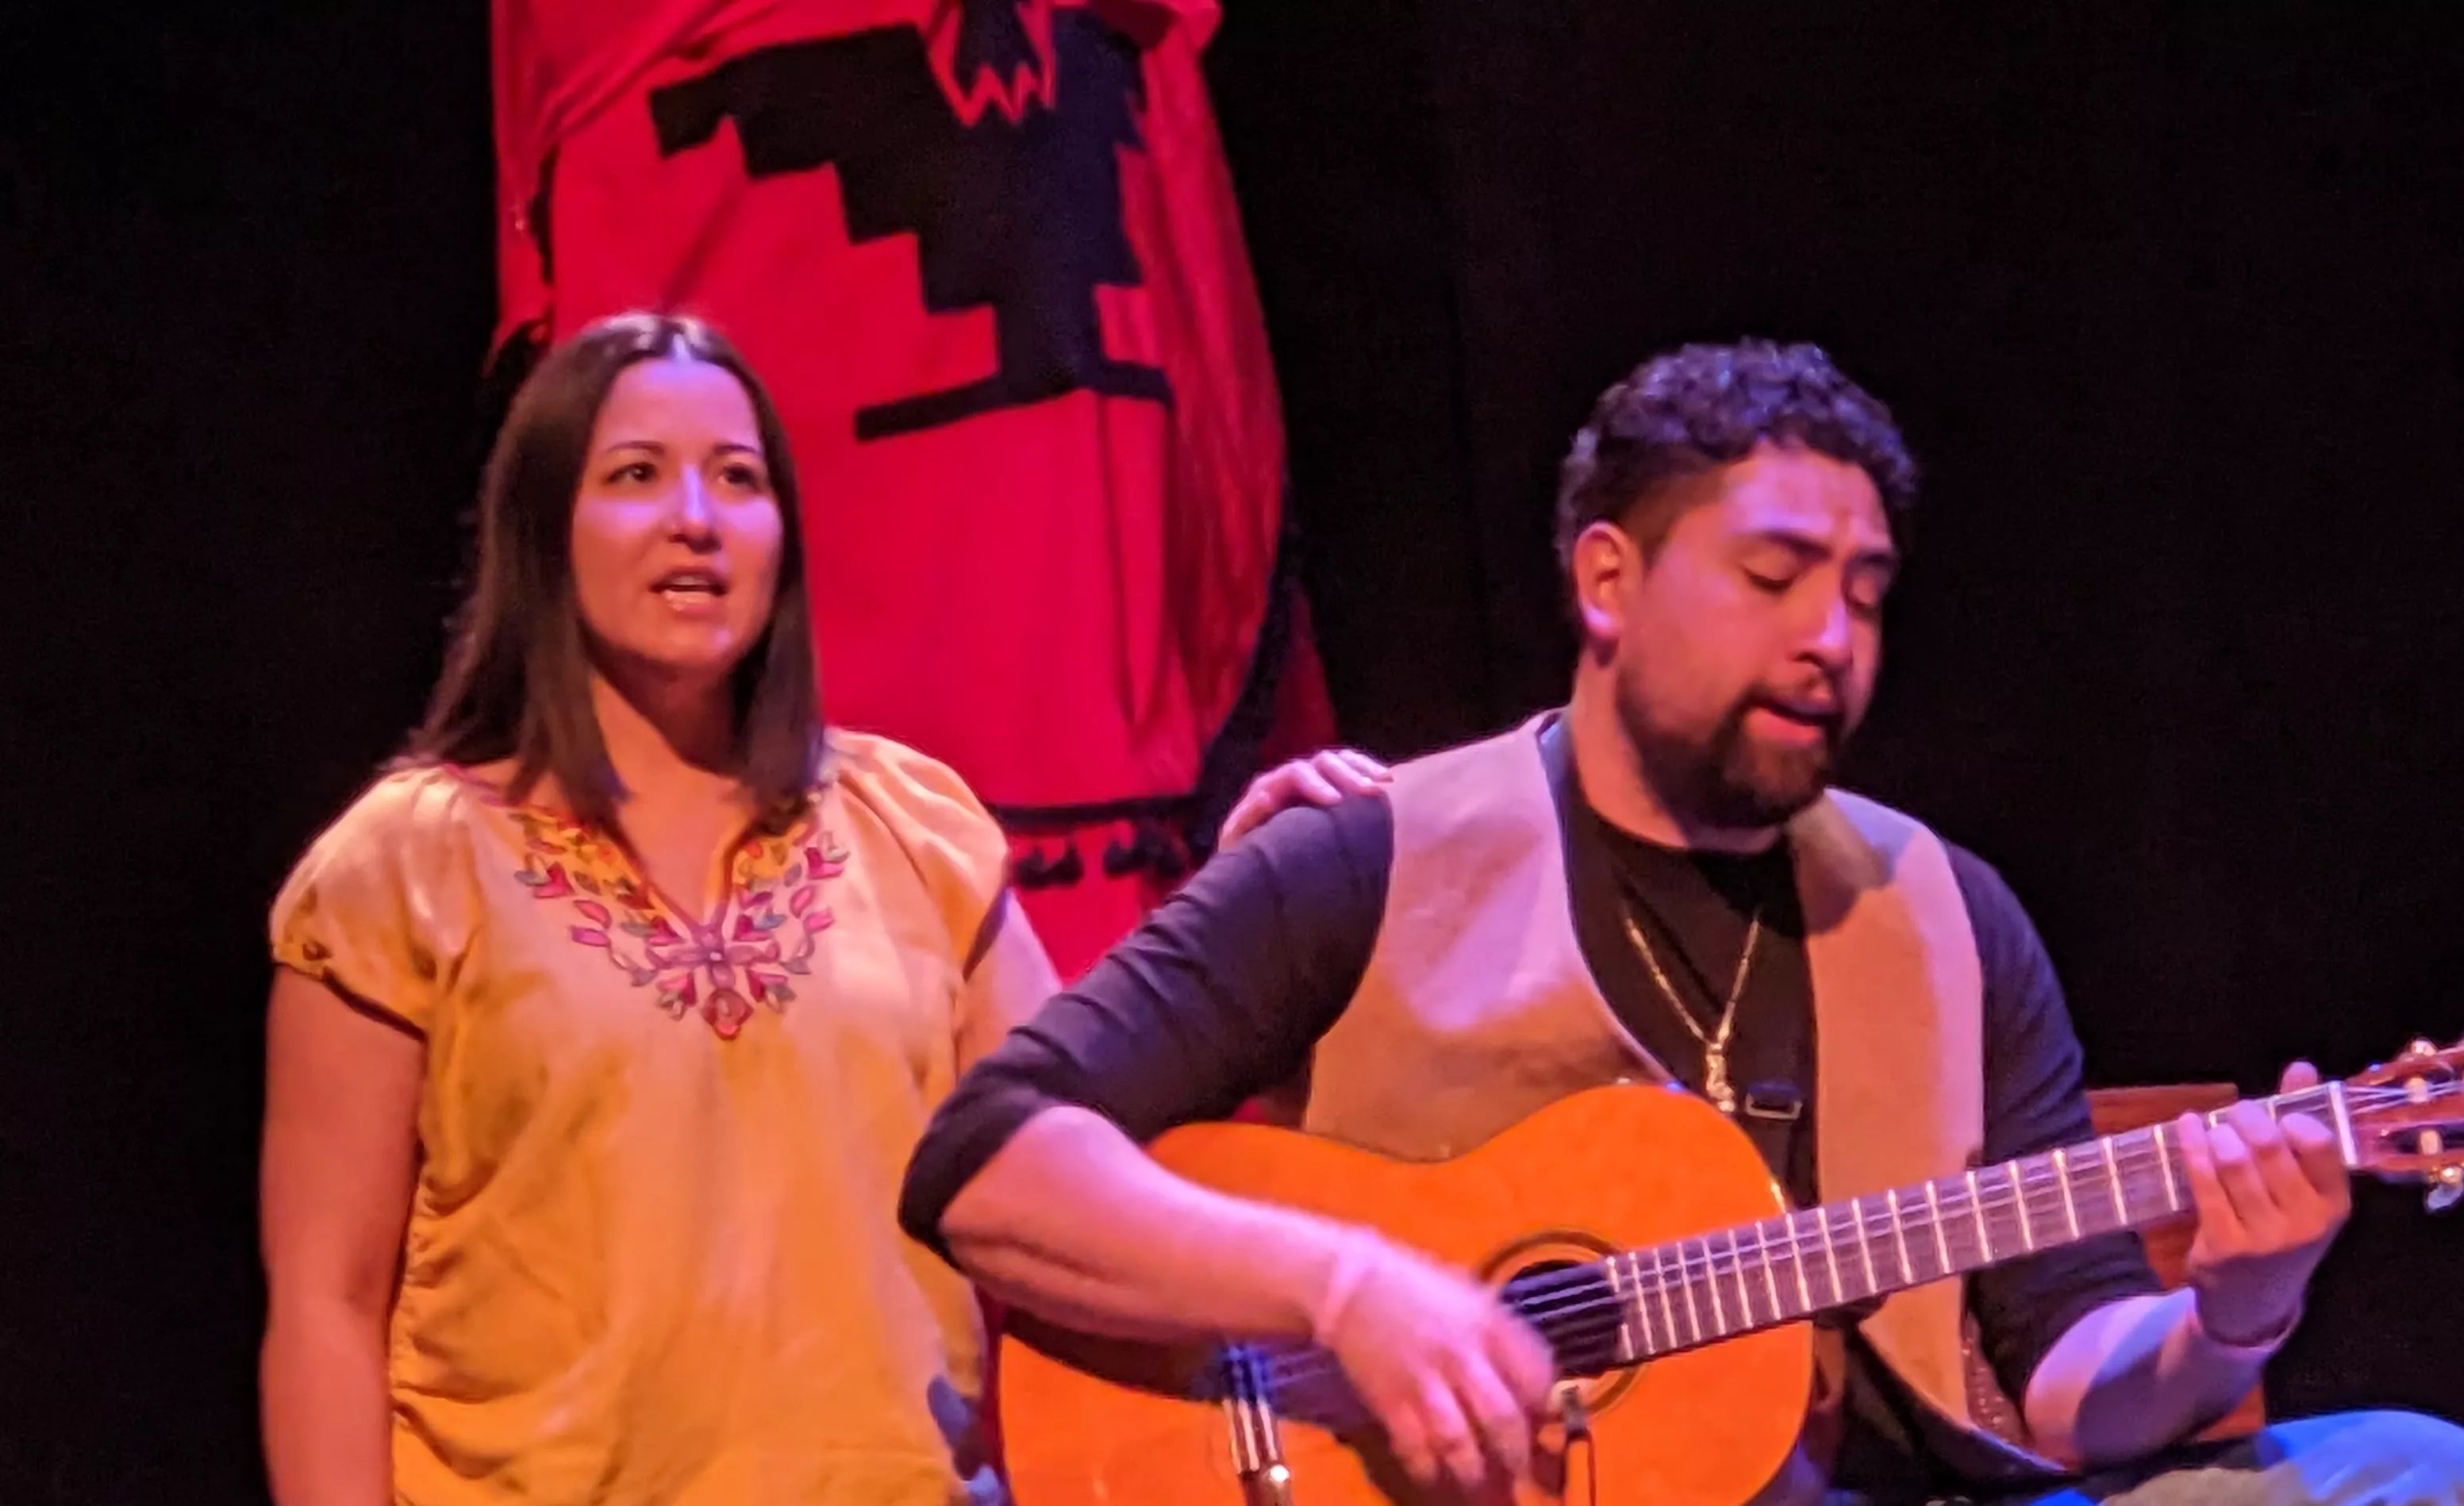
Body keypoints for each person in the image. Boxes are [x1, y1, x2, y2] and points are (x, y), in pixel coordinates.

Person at [897, 340, 2464, 1504]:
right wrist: (1343, 1289)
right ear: (1605, 579)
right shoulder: (1370, 849)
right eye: (1772, 574)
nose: (1826, 635)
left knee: (2399, 1467)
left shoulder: (1940, 914)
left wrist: (2231, 1312)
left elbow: (2067, 1389)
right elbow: (991, 1162)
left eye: (1860, 591)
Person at [256, 311, 1377, 1505]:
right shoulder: (405, 869)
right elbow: (329, 1303)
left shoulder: (907, 826)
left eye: (737, 479)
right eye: (636, 474)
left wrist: (1245, 926)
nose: (696, 516)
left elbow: (1071, 1168)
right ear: (541, 530)